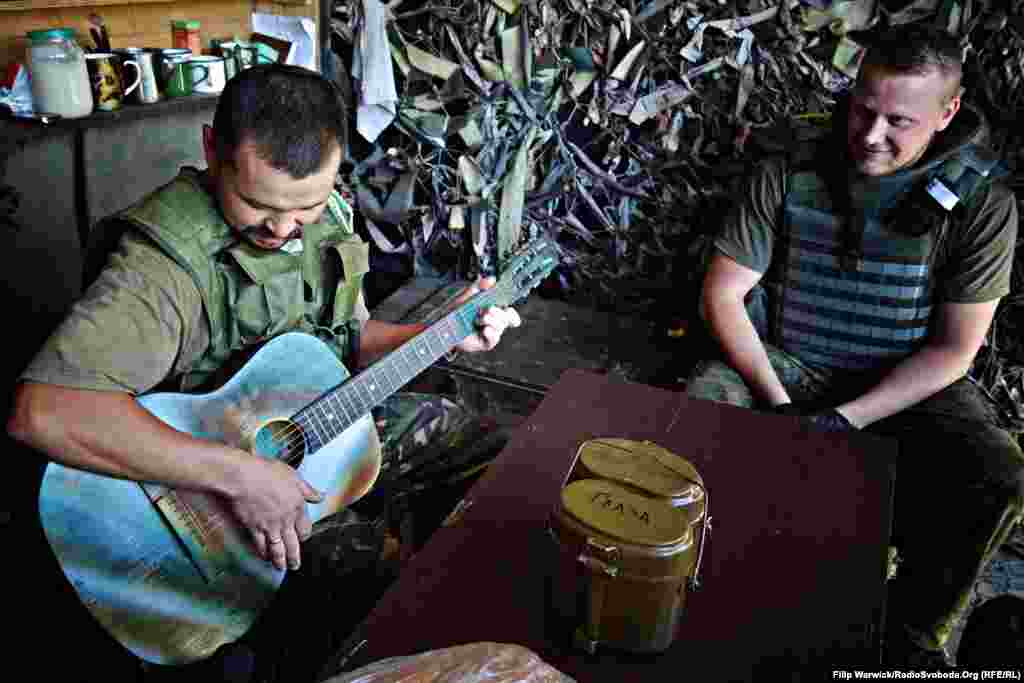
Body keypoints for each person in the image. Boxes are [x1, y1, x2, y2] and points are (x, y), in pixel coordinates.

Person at [5, 64, 520, 682]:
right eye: (256, 203)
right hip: (195, 499)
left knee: (491, 452)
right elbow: (43, 411)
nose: (281, 228)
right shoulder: (162, 272)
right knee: (379, 578)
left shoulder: (324, 219)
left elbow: (347, 348)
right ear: (211, 152)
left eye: (304, 205)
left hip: (298, 438)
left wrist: (438, 337)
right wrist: (241, 474)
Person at [684, 25, 1024, 668]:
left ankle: (909, 634)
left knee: (998, 476)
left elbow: (955, 350)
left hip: (903, 386)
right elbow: (724, 297)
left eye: (899, 120)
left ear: (947, 112)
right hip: (785, 364)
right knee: (704, 413)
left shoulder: (982, 203)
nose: (871, 135)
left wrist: (842, 422)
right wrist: (782, 407)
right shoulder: (792, 163)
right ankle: (708, 595)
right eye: (864, 110)